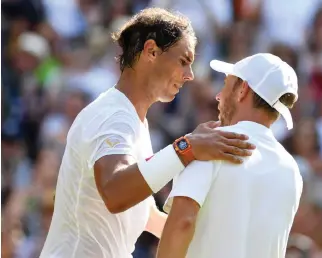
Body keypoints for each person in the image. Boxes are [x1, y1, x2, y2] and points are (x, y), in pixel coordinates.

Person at [39, 8, 256, 258]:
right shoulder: (114, 116)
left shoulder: (131, 119)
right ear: (151, 51)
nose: (190, 76)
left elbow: (145, 216)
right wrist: (187, 148)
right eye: (183, 61)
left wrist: (216, 242)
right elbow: (115, 192)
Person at [157, 53, 304, 258]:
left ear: (242, 89)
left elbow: (183, 222)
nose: (218, 96)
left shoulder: (206, 144)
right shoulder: (292, 169)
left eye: (226, 83)